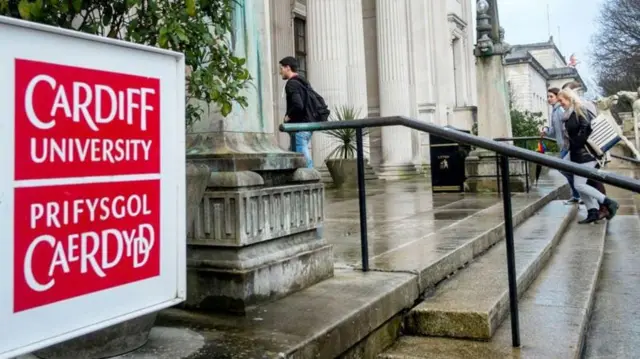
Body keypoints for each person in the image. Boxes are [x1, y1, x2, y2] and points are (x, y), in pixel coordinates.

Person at [556, 89, 619, 224]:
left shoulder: (580, 110)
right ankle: (592, 211)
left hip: (586, 154)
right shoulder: (569, 114)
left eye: (561, 100)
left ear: (570, 98)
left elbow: (586, 131)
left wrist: (576, 142)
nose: (559, 103)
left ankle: (608, 202)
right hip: (576, 153)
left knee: (579, 185)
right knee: (577, 182)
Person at [542, 88, 581, 204]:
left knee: (565, 170)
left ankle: (578, 194)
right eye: (548, 97)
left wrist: (567, 144)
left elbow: (565, 129)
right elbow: (555, 131)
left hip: (566, 145)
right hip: (562, 145)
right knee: (567, 171)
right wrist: (547, 130)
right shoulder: (555, 111)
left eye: (551, 97)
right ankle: (577, 194)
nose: (549, 99)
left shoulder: (559, 111)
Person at [279, 56, 313, 168]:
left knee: (302, 156)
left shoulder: (291, 84)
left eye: (281, 69)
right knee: (296, 154)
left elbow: (298, 105)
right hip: (307, 123)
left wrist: (288, 117)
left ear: (288, 68)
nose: (280, 72)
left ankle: (311, 177)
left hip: (299, 125)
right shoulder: (303, 81)